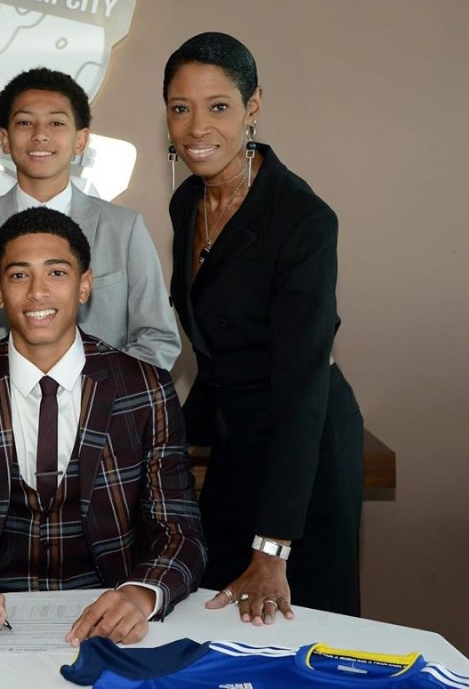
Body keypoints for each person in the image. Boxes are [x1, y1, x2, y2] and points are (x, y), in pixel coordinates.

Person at [0, 207, 206, 644]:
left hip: (113, 617)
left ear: (85, 285)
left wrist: (140, 592)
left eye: (57, 272)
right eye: (19, 276)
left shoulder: (145, 389)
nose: (38, 292)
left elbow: (181, 530)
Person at [163, 32, 364, 622]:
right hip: (235, 442)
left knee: (303, 626)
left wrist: (275, 546)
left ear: (253, 107)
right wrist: (161, 440)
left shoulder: (303, 219)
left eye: (218, 106)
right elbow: (215, 350)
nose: (197, 128)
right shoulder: (186, 205)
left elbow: (302, 390)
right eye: (180, 108)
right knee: (216, 613)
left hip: (305, 455)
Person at [0, 67, 180, 377]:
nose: (40, 134)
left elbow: (157, 338)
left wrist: (95, 394)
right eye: (25, 122)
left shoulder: (124, 229)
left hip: (102, 417)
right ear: (4, 138)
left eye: (56, 123)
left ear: (81, 140)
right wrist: (7, 391)